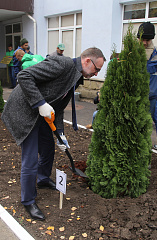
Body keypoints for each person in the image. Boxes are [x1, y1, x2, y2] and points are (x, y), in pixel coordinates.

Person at [1, 47, 106, 220]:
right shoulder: (62, 63)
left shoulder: (76, 75)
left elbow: (58, 107)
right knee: (31, 157)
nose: (96, 74)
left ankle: (42, 179)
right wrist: (40, 103)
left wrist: (61, 134)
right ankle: (28, 200)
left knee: (49, 147)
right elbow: (24, 76)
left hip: (40, 114)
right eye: (97, 69)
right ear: (87, 61)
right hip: (25, 110)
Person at [137, 22, 157, 152]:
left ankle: (155, 148)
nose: (144, 43)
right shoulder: (132, 51)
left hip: (152, 97)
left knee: (150, 124)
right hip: (136, 97)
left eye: (147, 40)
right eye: (142, 39)